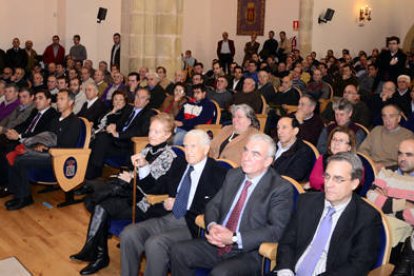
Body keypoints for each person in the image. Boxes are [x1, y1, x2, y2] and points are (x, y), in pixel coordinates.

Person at [70, 113, 186, 275]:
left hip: (146, 203)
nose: (151, 134)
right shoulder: (147, 149)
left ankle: (97, 255)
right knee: (99, 203)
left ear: (167, 135)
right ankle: (96, 254)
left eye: (157, 132)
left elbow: (153, 189)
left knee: (102, 206)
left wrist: (132, 179)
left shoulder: (170, 157)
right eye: (151, 130)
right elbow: (134, 174)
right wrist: (130, 176)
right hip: (131, 194)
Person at [171, 133, 294, 275]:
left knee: (220, 273)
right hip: (218, 242)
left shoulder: (280, 188)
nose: (246, 157)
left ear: (268, 161)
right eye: (246, 150)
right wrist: (212, 226)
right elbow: (213, 205)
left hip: (250, 251)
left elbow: (276, 230)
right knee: (178, 251)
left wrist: (234, 238)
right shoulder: (234, 175)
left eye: (255, 154)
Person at [120, 129, 228, 276]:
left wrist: (183, 204)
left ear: (206, 149)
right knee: (129, 233)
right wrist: (145, 166)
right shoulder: (180, 163)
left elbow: (217, 208)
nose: (188, 151)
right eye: (186, 146)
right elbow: (157, 187)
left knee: (155, 244)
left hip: (193, 224)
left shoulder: (219, 174)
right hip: (169, 216)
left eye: (193, 146)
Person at [267, 152, 382, 276]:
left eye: (338, 179)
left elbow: (358, 265)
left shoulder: (367, 217)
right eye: (327, 176)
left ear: (354, 183)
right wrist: (285, 269)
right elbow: (287, 241)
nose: (329, 184)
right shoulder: (306, 202)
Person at [5, 89, 81, 210]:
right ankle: (17, 194)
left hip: (58, 158)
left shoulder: (75, 122)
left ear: (71, 102)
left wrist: (47, 148)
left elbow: (66, 145)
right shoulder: (55, 120)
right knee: (15, 155)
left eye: (62, 99)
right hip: (46, 153)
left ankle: (25, 198)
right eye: (58, 99)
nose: (58, 102)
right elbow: (46, 137)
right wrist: (40, 144)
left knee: (20, 160)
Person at [86, 88, 153, 180]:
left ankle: (91, 177)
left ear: (147, 102)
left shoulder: (148, 114)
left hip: (128, 146)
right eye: (137, 96)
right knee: (97, 139)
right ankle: (90, 176)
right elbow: (118, 122)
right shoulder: (129, 109)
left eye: (142, 98)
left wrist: (118, 134)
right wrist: (113, 126)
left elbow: (139, 132)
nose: (138, 99)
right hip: (117, 142)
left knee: (101, 140)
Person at [358, 104, 414, 171]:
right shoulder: (376, 130)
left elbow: (408, 161)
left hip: (394, 170)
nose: (387, 120)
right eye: (384, 116)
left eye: (391, 116)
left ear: (398, 118)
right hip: (371, 166)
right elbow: (362, 150)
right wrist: (371, 164)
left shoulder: (407, 135)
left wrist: (386, 168)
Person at [309, 126, 357, 191]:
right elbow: (313, 180)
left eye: (341, 140)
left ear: (349, 147)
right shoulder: (323, 158)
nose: (336, 143)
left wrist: (323, 180)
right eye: (334, 139)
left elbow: (345, 187)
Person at [273, 117, 315, 182]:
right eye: (278, 128)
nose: (279, 131)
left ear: (295, 131)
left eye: (284, 127)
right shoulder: (271, 144)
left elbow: (293, 177)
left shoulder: (304, 151)